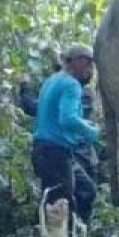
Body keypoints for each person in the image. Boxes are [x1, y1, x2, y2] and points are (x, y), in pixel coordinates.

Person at [31, 44, 100, 224]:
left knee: (87, 190)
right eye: (88, 64)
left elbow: (54, 115)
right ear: (76, 62)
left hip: (48, 151)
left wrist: (84, 123)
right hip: (55, 152)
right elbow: (68, 119)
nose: (90, 70)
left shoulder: (52, 80)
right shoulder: (71, 84)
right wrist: (92, 132)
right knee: (61, 207)